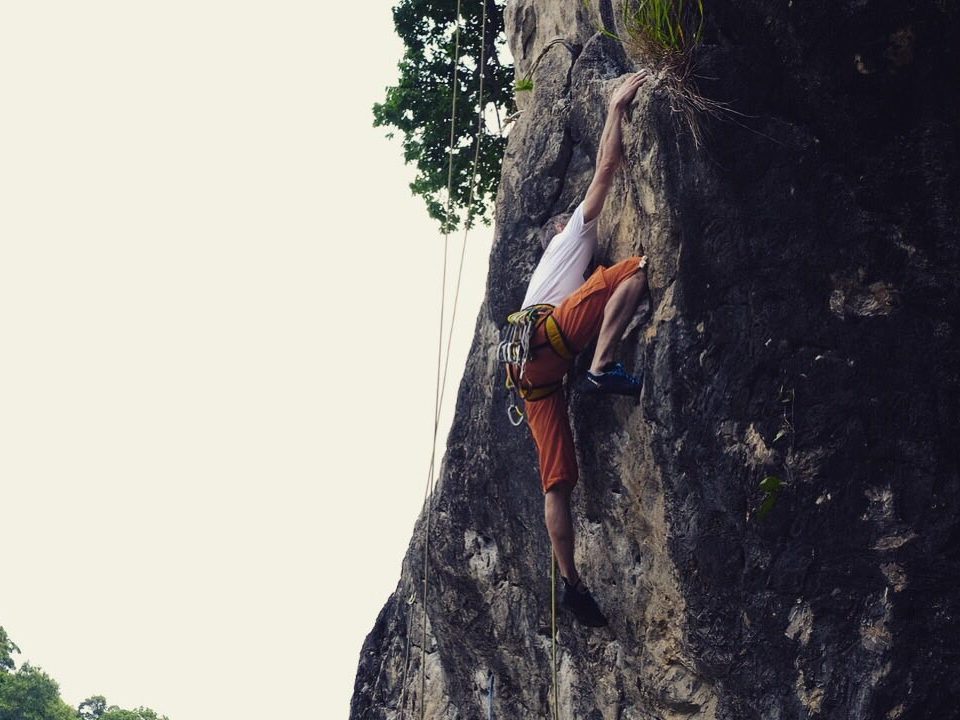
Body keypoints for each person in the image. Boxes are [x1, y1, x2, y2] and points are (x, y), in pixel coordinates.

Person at [508, 70, 650, 627]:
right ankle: (603, 367)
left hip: (531, 376)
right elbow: (606, 171)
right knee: (634, 270)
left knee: (557, 481)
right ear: (561, 230)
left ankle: (570, 582)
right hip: (548, 340)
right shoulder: (570, 240)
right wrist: (615, 108)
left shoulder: (543, 277)